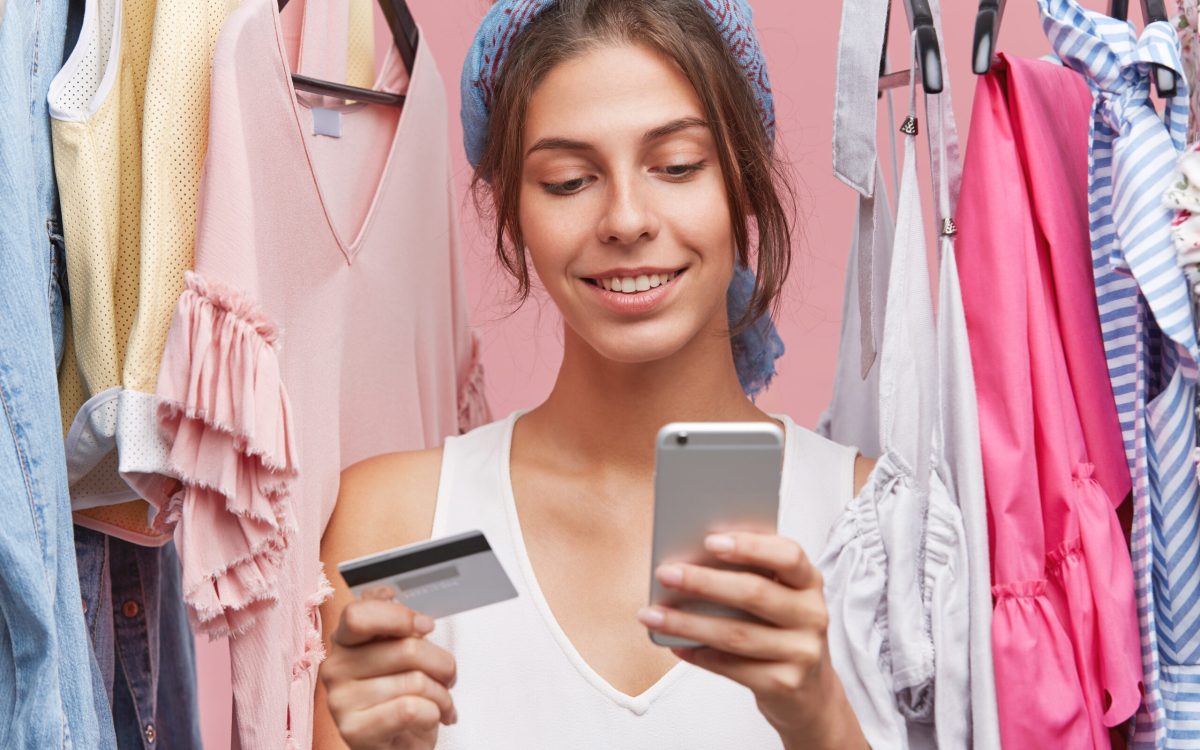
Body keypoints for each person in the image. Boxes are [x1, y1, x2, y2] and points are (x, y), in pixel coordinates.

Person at [313, 1, 875, 747]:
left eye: (676, 166)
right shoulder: (398, 523)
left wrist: (820, 721)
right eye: (569, 180)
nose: (626, 218)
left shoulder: (871, 526)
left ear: (741, 181)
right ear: (512, 213)